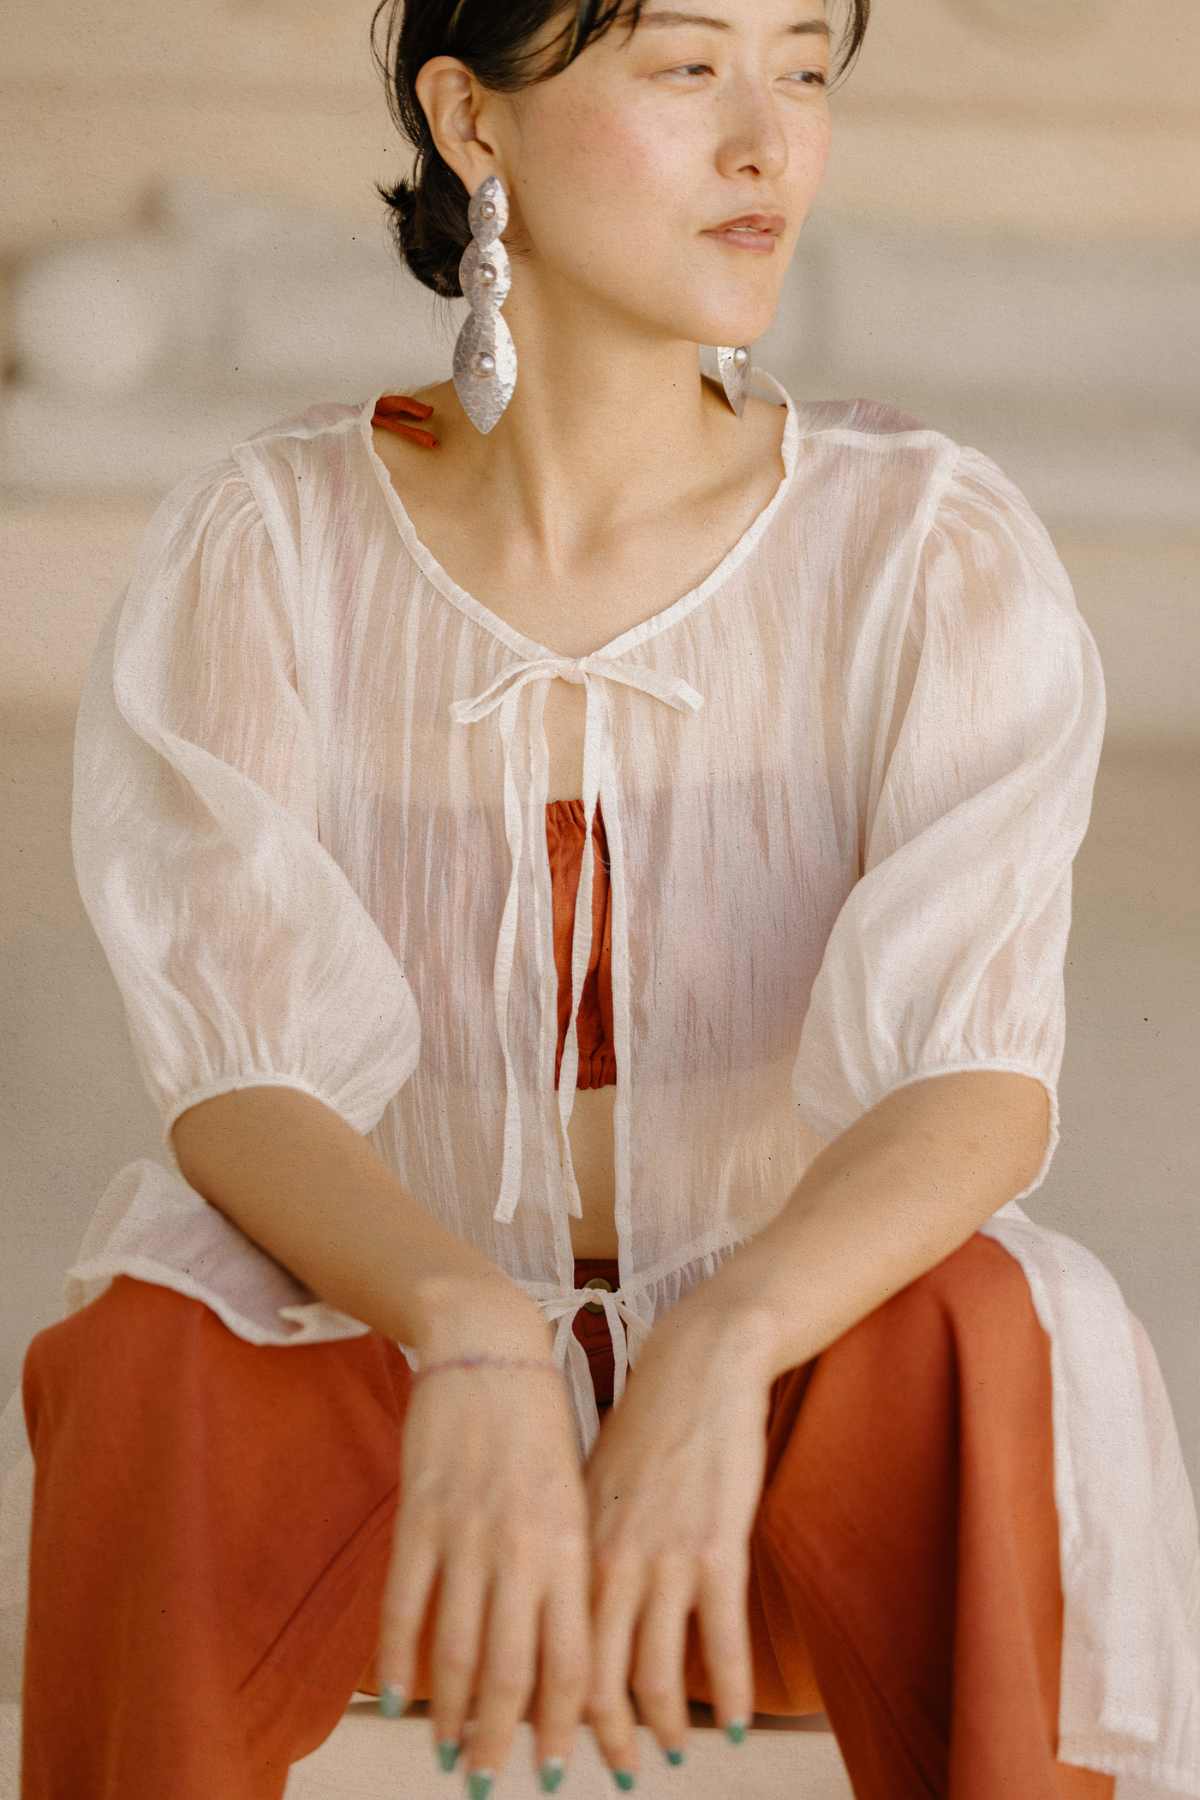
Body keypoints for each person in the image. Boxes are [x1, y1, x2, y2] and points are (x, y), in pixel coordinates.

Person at [4, 1, 1199, 1797]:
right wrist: (474, 1335)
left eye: (804, 70)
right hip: (401, 1404)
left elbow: (977, 1077)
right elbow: (241, 1071)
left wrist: (724, 1344)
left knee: (978, 1330)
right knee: (151, 1352)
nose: (767, 142)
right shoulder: (270, 547)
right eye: (689, 68)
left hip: (778, 1422)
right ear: (472, 121)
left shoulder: (926, 548)